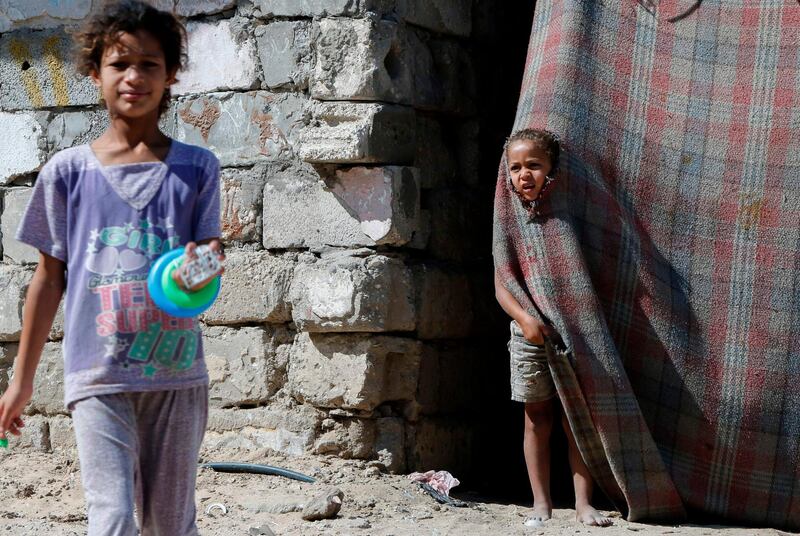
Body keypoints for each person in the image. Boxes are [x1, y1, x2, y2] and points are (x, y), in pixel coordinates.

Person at [0, 2, 223, 534]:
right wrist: (20, 382)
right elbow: (48, 280)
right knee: (113, 519)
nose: (134, 77)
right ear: (95, 72)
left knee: (169, 524)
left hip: (176, 374)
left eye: (149, 64)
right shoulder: (67, 173)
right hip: (97, 375)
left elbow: (213, 257)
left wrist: (197, 268)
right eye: (119, 63)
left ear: (171, 75)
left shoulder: (196, 168)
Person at [494, 128, 612, 527]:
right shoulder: (509, 222)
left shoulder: (568, 216)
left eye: (533, 166)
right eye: (515, 167)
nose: (523, 175)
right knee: (536, 417)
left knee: (574, 417)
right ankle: (540, 504)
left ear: (552, 170)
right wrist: (525, 319)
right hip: (528, 337)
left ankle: (583, 504)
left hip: (574, 335)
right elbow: (502, 281)